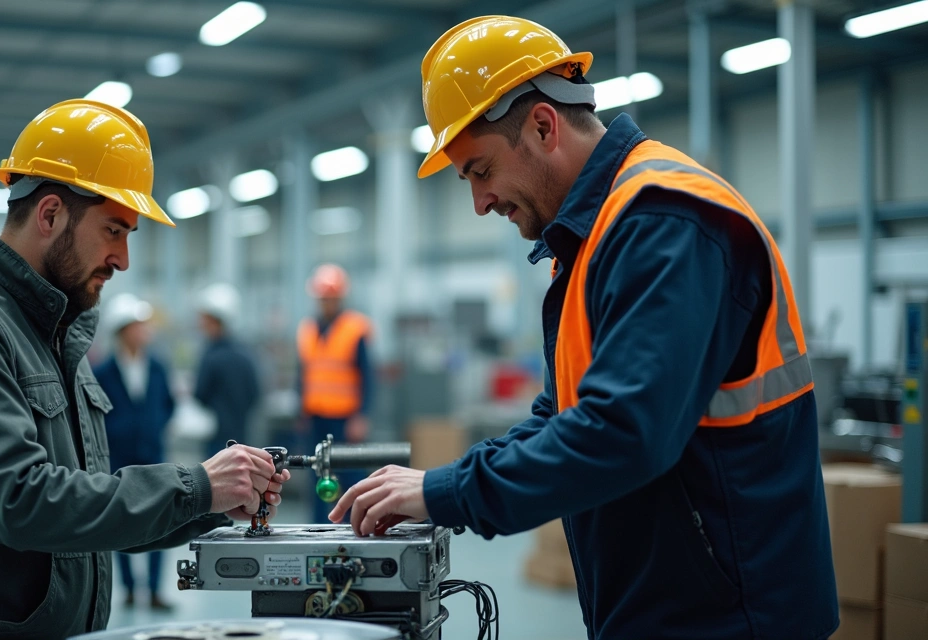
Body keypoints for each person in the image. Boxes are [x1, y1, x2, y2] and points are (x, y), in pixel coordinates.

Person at [330, 16, 837, 640]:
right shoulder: (594, 240)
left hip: (731, 616)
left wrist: (449, 492)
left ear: (543, 126)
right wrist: (443, 481)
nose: (480, 204)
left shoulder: (663, 223)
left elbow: (623, 433)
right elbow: (559, 413)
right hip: (671, 606)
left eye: (481, 171)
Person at [0, 99, 290, 639]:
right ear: (49, 215)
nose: (124, 259)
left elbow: (85, 511)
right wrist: (195, 485)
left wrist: (214, 504)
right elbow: (22, 501)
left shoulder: (55, 335)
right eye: (114, 230)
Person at [92, 294, 175, 611]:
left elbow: (168, 404)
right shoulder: (103, 372)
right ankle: (128, 587)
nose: (145, 331)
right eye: (139, 325)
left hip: (153, 453)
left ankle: (154, 589)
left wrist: (154, 427)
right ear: (123, 330)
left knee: (161, 519)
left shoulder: (157, 367)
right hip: (118, 457)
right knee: (121, 521)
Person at [297, 264, 373, 522]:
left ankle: (355, 524)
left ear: (340, 298)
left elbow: (368, 376)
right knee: (318, 474)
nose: (327, 303)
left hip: (345, 417)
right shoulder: (308, 329)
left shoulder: (355, 328)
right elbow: (304, 373)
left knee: (349, 475)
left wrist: (361, 416)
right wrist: (302, 410)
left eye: (331, 298)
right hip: (316, 415)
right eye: (323, 298)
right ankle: (321, 526)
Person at [195, 283, 261, 457]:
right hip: (241, 437)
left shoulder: (211, 356)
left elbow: (200, 394)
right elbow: (255, 393)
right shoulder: (245, 354)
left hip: (215, 439)